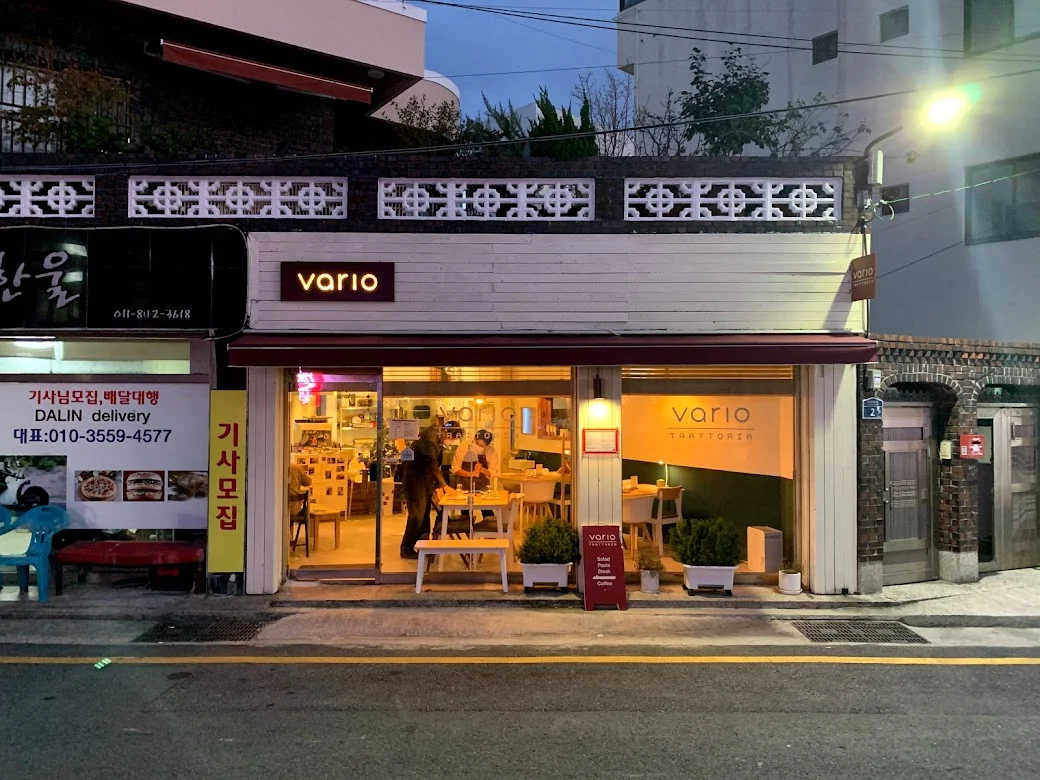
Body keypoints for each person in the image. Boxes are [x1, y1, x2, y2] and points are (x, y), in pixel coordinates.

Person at [400, 424, 454, 559]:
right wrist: (444, 485)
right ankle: (407, 549)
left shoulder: (432, 440)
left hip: (424, 482)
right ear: (446, 433)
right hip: (416, 483)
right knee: (417, 516)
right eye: (452, 438)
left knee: (424, 516)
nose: (451, 441)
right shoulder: (429, 441)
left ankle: (423, 545)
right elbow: (432, 465)